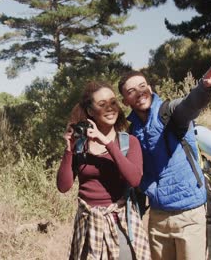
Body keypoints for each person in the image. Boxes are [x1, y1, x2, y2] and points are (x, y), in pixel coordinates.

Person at [117, 58, 211, 260]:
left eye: (142, 86)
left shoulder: (169, 112)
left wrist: (205, 86)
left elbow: (189, 105)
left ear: (150, 88)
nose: (139, 92)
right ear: (125, 100)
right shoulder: (132, 131)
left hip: (189, 214)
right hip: (158, 217)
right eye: (131, 91)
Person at [57, 80, 151, 260]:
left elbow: (134, 180)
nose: (110, 108)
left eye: (113, 102)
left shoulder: (128, 142)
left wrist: (107, 143)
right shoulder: (80, 146)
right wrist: (69, 149)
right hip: (88, 227)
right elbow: (63, 186)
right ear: (91, 111)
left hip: (120, 227)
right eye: (102, 104)